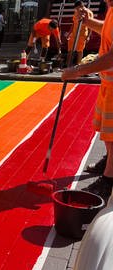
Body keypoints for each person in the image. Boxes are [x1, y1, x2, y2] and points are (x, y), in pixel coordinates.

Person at [62, 0, 113, 202]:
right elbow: (107, 30)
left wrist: (78, 71)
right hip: (108, 82)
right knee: (107, 131)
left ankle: (109, 179)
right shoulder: (111, 8)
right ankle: (110, 160)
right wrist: (89, 22)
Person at [65, 1, 93, 66]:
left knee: (79, 50)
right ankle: (67, 65)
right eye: (76, 9)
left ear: (81, 6)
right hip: (74, 34)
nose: (76, 10)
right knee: (70, 50)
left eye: (77, 8)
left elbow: (91, 26)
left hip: (82, 35)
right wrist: (69, 33)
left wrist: (88, 36)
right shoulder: (76, 12)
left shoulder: (89, 13)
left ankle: (78, 65)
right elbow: (73, 23)